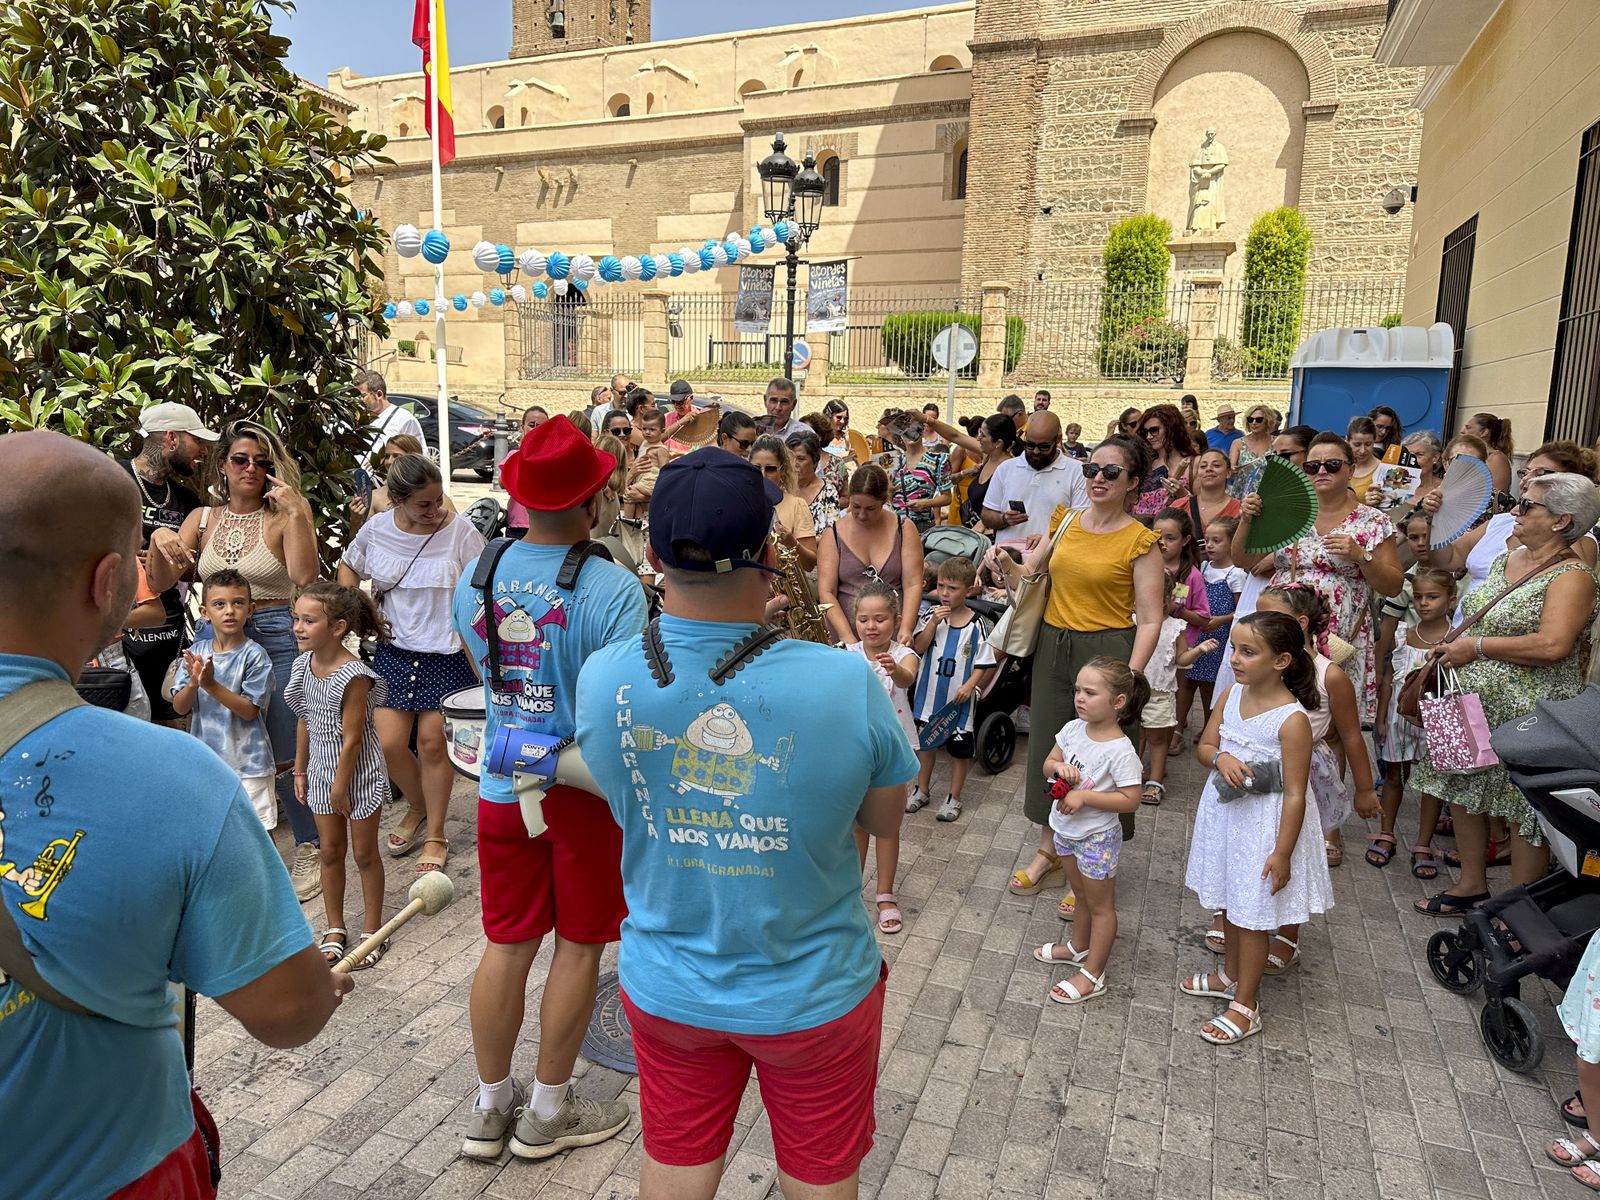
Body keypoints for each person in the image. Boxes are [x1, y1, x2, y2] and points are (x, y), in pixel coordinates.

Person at [0, 430, 347, 1199]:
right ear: (111, 581)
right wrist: (318, 983)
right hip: (108, 1168)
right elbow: (287, 1010)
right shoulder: (174, 778)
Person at [574, 447, 915, 1199]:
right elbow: (885, 817)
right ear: (767, 554)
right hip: (812, 992)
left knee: (675, 1164)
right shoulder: (843, 680)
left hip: (669, 987)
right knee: (820, 1178)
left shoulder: (604, 675)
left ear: (655, 553)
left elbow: (620, 787)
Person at [451, 416, 647, 1161]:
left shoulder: (479, 574)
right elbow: (622, 704)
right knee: (579, 948)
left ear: (521, 495)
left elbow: (486, 678)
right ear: (595, 497)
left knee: (505, 946)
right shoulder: (614, 588)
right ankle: (546, 1113)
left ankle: (488, 1109)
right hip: (583, 794)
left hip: (502, 782)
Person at [987, 435, 1164, 911]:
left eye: (1111, 472)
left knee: (1102, 760)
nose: (1098, 479)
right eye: (1092, 470)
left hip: (1107, 651)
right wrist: (1005, 562)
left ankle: (1088, 865)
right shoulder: (1064, 522)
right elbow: (1030, 575)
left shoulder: (1140, 541)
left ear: (1133, 483)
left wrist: (1128, 677)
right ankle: (1050, 849)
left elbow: (1150, 618)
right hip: (1053, 643)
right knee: (1054, 745)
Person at [1412, 472, 1600, 916]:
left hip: (1526, 710)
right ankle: (1471, 885)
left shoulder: (1575, 576)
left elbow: (1553, 645)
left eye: (1528, 505)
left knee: (1523, 808)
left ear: (1561, 520)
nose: (1515, 510)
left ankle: (1519, 907)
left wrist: (1475, 647)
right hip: (1462, 692)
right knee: (1459, 787)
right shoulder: (1507, 559)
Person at [153, 420, 325, 900]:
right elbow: (165, 580)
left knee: (288, 749)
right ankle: (230, 846)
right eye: (241, 459)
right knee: (218, 740)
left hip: (273, 632)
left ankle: (309, 844)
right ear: (223, 465)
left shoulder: (281, 515)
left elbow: (305, 577)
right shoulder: (203, 518)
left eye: (262, 461)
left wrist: (301, 515)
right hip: (215, 639)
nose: (252, 468)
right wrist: (161, 543)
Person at [1182, 611, 1330, 1045]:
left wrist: (1282, 852)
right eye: (1234, 649)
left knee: (1252, 915)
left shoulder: (1292, 720)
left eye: (1248, 652)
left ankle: (1247, 1003)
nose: (1235, 660)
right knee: (1230, 901)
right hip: (1227, 817)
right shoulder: (1230, 696)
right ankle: (1230, 973)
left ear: (1282, 660)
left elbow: (1298, 793)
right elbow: (1206, 745)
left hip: (1264, 825)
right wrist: (1220, 758)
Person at [339, 452, 485, 874]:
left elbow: (480, 590)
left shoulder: (460, 532)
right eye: (424, 504)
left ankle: (436, 832)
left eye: (438, 500)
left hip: (448, 653)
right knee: (388, 743)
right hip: (395, 651)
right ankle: (418, 806)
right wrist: (360, 610)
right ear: (397, 499)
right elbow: (348, 567)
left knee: (433, 745)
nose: (435, 510)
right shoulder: (377, 529)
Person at [1234, 432, 1403, 726]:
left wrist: (1361, 556)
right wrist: (1247, 521)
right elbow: (1244, 561)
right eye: (1313, 466)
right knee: (1275, 711)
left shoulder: (1374, 520)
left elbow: (1393, 585)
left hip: (1339, 635)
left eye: (1333, 464)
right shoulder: (1287, 512)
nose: (1322, 471)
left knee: (1332, 725)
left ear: (1351, 468)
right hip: (1284, 627)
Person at [286, 582, 393, 969]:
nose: (298, 627)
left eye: (309, 620)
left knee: (364, 853)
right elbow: (304, 718)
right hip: (320, 771)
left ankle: (372, 930)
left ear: (337, 627)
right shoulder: (303, 664)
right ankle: (334, 927)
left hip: (356, 774)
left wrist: (340, 787)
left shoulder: (355, 676)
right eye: (296, 618)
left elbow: (352, 740)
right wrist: (301, 769)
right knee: (330, 851)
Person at [1031, 658, 1146, 1004]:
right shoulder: (1072, 730)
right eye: (1077, 690)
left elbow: (1131, 800)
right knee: (1079, 893)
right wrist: (1058, 767)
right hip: (1065, 830)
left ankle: (1094, 974)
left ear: (1118, 702)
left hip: (1096, 838)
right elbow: (1047, 764)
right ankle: (1078, 947)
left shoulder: (1121, 751)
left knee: (1101, 906)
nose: (1079, 697)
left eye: (1090, 692)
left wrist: (1084, 798)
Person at [118, 402, 214, 728]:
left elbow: (195, 569)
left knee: (170, 730)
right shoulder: (114, 479)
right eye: (196, 440)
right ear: (171, 438)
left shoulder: (187, 500)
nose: (202, 449)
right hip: (115, 637)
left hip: (168, 636)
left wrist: (173, 562)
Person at [1426, 441, 1600, 609]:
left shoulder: (1580, 536)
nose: (1527, 480)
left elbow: (1573, 586)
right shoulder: (1503, 521)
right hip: (1462, 629)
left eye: (1541, 474)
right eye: (1526, 472)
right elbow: (1448, 559)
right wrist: (1434, 520)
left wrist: (1567, 521)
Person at [170, 570, 277, 831]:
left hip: (250, 764)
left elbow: (250, 711)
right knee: (215, 833)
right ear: (205, 612)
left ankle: (267, 874)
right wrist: (194, 683)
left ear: (250, 609)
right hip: (208, 764)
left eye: (238, 603)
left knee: (258, 833)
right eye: (220, 604)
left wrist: (210, 684)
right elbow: (180, 707)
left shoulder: (255, 656)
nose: (229, 611)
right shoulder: (196, 653)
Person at [1369, 566, 1455, 877]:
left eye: (1433, 596)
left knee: (1432, 784)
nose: (1424, 603)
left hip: (1438, 718)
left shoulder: (1455, 640)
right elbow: (1390, 679)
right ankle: (1386, 832)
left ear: (1451, 599)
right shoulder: (1403, 636)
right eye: (1418, 597)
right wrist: (1380, 718)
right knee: (1394, 776)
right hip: (1398, 718)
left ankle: (1423, 843)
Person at [847, 580, 919, 935]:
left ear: (896, 620)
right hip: (856, 749)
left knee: (887, 826)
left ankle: (886, 894)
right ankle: (851, 891)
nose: (871, 626)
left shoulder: (904, 654)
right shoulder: (846, 653)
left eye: (880, 619)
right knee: (857, 825)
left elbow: (906, 680)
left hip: (892, 748)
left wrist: (895, 669)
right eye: (863, 619)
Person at [908, 556, 996, 823]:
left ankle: (953, 796)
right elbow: (919, 648)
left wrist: (970, 685)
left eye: (953, 588)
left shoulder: (977, 625)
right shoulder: (929, 617)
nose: (945, 594)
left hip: (958, 703)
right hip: (928, 697)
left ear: (968, 590)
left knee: (960, 752)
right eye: (942, 586)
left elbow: (984, 662)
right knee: (925, 746)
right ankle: (921, 789)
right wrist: (933, 624)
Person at [818, 464, 925, 647]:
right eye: (855, 506)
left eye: (870, 508)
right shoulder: (833, 534)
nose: (861, 515)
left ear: (884, 502)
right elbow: (826, 592)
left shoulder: (904, 528)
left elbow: (913, 584)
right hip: (847, 633)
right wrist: (847, 638)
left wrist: (906, 628)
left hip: (892, 633)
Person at [1139, 569, 1220, 807]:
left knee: (1157, 737)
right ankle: (1132, 775)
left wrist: (1198, 650)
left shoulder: (1176, 627)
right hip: (1135, 691)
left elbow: (1181, 659)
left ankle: (1155, 779)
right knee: (1136, 735)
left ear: (1169, 598)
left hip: (1160, 692)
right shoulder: (1134, 621)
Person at [980, 412, 1088, 547]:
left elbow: (1082, 525)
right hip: (1006, 559)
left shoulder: (1077, 472)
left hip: (1050, 562)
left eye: (1044, 447)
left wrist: (1047, 540)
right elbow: (987, 514)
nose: (1036, 451)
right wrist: (1004, 519)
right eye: (1030, 445)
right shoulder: (1006, 468)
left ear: (1058, 439)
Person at [1179, 516, 1244, 734]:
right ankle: (1177, 729)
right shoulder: (1203, 567)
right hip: (1195, 633)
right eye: (1207, 540)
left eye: (1217, 541)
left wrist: (1221, 620)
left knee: (1209, 686)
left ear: (1232, 542)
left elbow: (1240, 611)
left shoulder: (1236, 573)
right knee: (1186, 681)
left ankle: (1209, 728)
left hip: (1218, 638)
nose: (1210, 546)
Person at [352, 434, 460, 528]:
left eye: (396, 456)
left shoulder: (437, 499)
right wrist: (355, 521)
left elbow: (457, 532)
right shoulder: (375, 496)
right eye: (386, 456)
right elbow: (358, 544)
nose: (389, 462)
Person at [751, 434, 819, 572]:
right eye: (756, 468)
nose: (762, 475)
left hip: (783, 590)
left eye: (770, 469)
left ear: (782, 470)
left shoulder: (796, 505)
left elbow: (810, 564)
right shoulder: (738, 502)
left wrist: (792, 543)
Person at [1133, 404, 1200, 517]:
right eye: (1146, 432)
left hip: (1176, 529)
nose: (1149, 436)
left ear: (1171, 429)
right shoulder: (1144, 463)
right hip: (1141, 529)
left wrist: (1183, 494)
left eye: (1154, 430)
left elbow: (1202, 506)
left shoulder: (1194, 463)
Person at [889, 419, 952, 535]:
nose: (909, 435)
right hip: (894, 525)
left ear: (922, 431)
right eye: (904, 431)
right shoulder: (894, 461)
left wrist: (925, 503)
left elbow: (947, 497)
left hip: (922, 526)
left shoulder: (938, 460)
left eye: (913, 430)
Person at [357, 370, 425, 463]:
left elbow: (418, 458)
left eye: (362, 396)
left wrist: (385, 461)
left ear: (379, 394)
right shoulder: (356, 419)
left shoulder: (405, 420)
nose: (358, 400)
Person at [1172, 448, 1240, 532]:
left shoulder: (1240, 510)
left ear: (1228, 473)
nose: (1208, 469)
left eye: (1216, 465)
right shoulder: (1178, 506)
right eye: (1203, 466)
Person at [787, 429, 841, 533]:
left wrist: (801, 543)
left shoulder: (828, 493)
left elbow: (832, 535)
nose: (794, 464)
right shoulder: (781, 489)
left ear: (815, 462)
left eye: (801, 459)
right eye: (790, 458)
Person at [1227, 404, 1278, 496]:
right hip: (1242, 493)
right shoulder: (1238, 443)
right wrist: (1232, 469)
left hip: (1269, 494)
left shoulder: (1276, 442)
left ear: (1267, 421)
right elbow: (1231, 469)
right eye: (1250, 420)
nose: (1254, 423)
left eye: (1259, 420)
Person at [1465, 412, 1515, 495]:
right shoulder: (1470, 455)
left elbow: (1497, 495)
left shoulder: (1496, 459)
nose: (1462, 431)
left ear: (1484, 432)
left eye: (1468, 428)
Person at [1347, 416, 1379, 503]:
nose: (1363, 450)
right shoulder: (1339, 466)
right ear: (1347, 441)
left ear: (1374, 441)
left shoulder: (1383, 470)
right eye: (1357, 445)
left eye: (1368, 444)